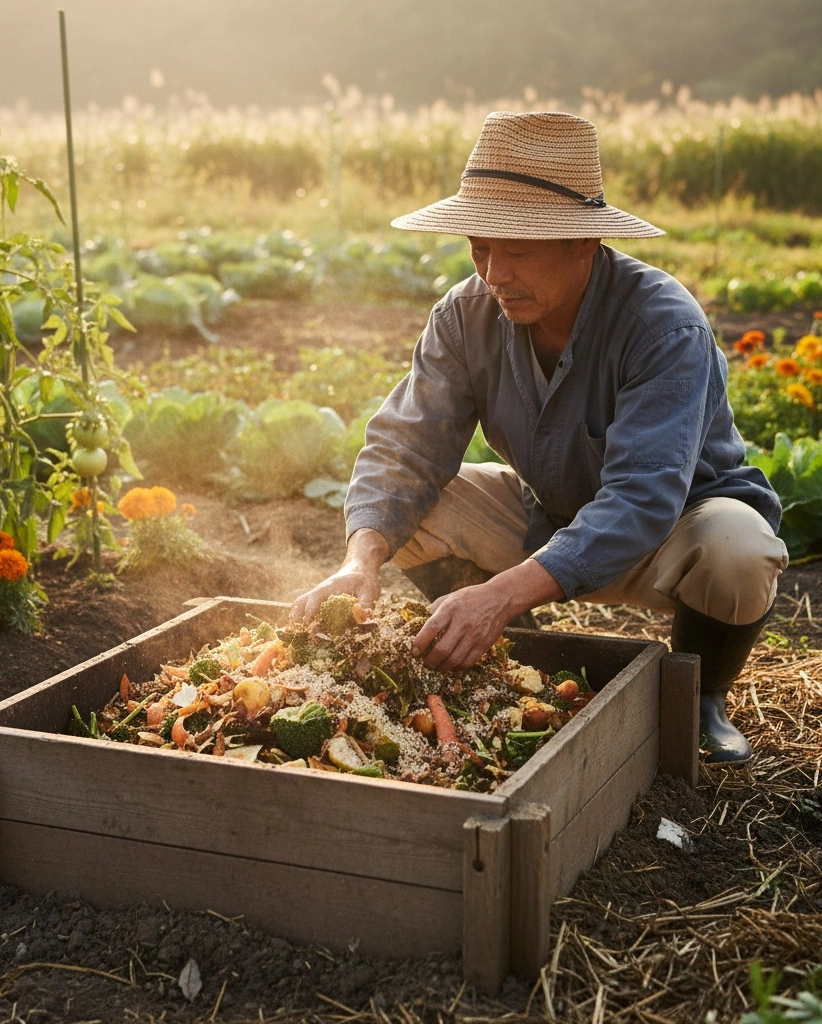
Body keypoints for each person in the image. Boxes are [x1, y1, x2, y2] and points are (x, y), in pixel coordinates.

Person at [291, 110, 788, 765]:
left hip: (673, 533)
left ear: (584, 242)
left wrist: (499, 592)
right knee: (408, 509)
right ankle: (509, 664)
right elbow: (402, 451)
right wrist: (360, 561)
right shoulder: (465, 315)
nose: (494, 272)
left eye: (517, 251)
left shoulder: (663, 326)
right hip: (546, 517)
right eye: (480, 247)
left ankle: (701, 700)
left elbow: (642, 499)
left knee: (739, 545)